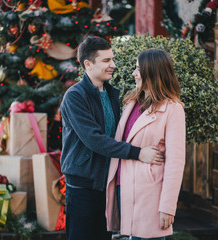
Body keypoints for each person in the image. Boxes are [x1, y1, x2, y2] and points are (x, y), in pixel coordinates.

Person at [60, 37, 164, 240]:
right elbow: (94, 139)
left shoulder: (111, 93)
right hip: (83, 184)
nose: (113, 65)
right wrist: (138, 153)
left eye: (112, 59)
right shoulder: (74, 96)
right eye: (106, 60)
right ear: (88, 64)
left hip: (107, 181)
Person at [106, 49, 186, 240]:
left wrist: (167, 206)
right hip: (122, 188)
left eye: (138, 69)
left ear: (153, 72)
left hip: (150, 194)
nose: (134, 73)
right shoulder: (131, 103)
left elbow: (176, 162)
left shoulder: (173, 109)